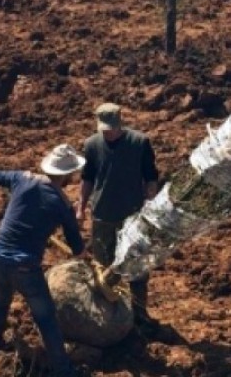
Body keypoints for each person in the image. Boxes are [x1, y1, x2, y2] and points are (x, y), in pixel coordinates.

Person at [0, 141, 86, 376]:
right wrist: (75, 224)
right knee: (46, 318)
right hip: (25, 268)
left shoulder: (22, 178)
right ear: (67, 175)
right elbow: (78, 250)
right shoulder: (62, 204)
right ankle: (64, 371)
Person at [77, 103, 160, 329]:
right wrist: (81, 207)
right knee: (104, 268)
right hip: (103, 215)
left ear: (120, 123)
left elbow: (151, 177)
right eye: (104, 129)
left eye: (111, 128)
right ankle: (108, 317)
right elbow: (87, 178)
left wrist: (150, 204)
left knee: (137, 266)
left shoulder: (139, 143)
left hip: (132, 216)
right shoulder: (92, 145)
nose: (108, 133)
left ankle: (140, 314)